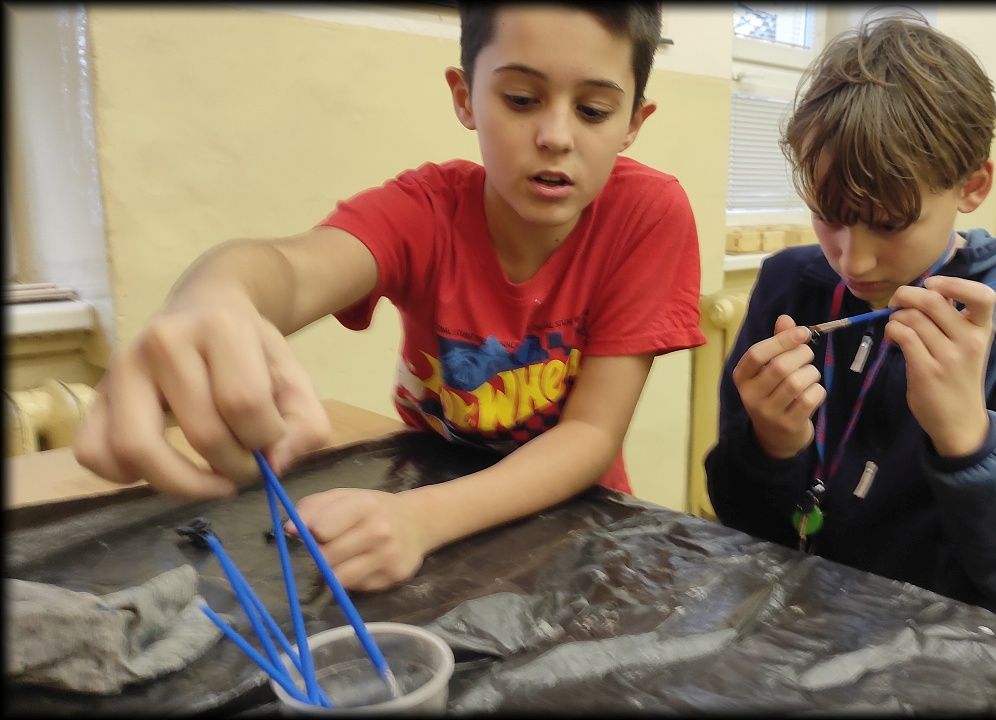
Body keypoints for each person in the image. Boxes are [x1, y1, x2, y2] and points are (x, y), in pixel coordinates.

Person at [74, 2, 705, 591]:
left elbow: (591, 431)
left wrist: (422, 519)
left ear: (632, 122)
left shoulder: (646, 214)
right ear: (466, 97)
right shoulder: (424, 212)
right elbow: (291, 269)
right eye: (521, 99)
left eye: (593, 110)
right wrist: (215, 294)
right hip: (425, 499)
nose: (556, 135)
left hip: (569, 524)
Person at [704, 12, 996, 619]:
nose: (853, 260)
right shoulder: (788, 283)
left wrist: (968, 438)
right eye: (828, 215)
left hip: (940, 645)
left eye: (889, 223)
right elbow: (738, 514)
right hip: (787, 624)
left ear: (972, 186)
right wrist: (770, 449)